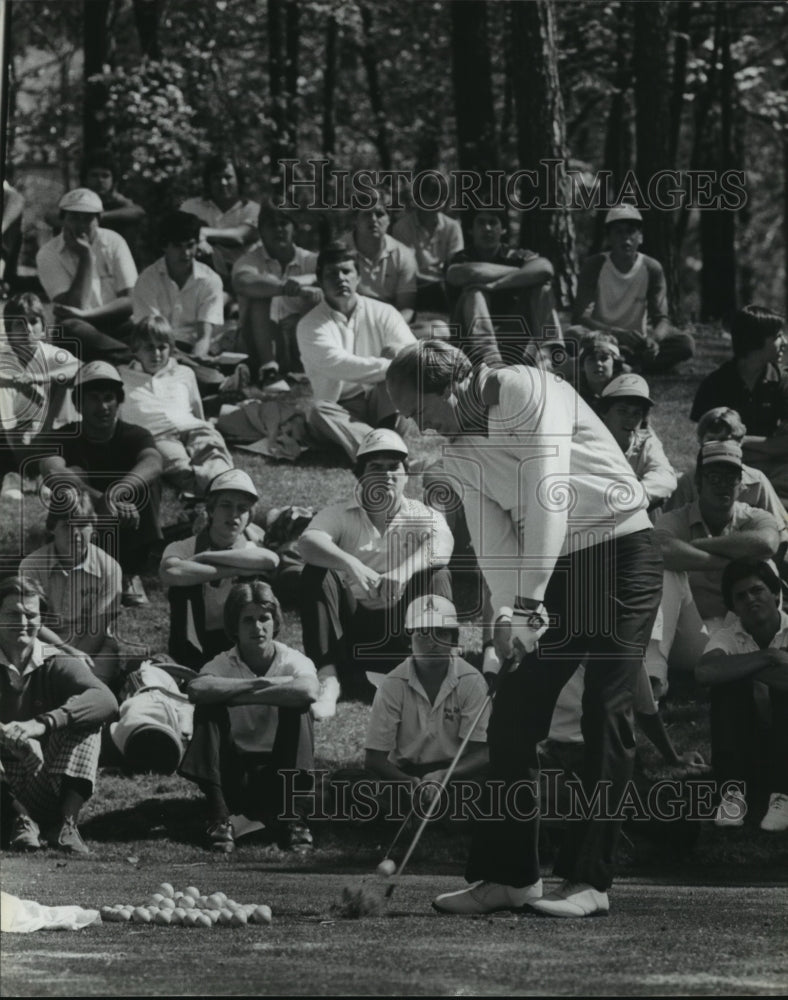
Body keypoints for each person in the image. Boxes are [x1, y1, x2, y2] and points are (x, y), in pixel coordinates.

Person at [386, 340, 663, 918]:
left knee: (606, 708)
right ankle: (510, 877)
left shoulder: (525, 388)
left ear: (452, 386)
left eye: (417, 408)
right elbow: (494, 543)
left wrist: (530, 602)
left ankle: (589, 882)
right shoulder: (456, 455)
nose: (417, 425)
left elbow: (548, 495)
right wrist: (510, 615)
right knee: (513, 716)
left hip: (621, 552)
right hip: (555, 569)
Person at [298, 428, 454, 715]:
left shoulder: (421, 514)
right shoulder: (340, 514)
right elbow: (307, 543)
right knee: (316, 573)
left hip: (403, 630)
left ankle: (433, 672)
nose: (386, 475)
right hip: (351, 631)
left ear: (406, 474)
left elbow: (443, 544)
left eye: (393, 467)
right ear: (360, 475)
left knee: (437, 573)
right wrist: (351, 564)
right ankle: (328, 680)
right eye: (375, 467)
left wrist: (404, 571)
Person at [179, 580, 319, 854]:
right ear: (234, 625)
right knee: (208, 707)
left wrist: (235, 694)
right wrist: (257, 686)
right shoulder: (223, 662)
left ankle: (294, 820)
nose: (257, 628)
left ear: (274, 621)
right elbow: (196, 688)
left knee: (299, 707)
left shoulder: (292, 659)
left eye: (264, 618)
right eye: (248, 620)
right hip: (235, 772)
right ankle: (219, 819)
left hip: (280, 772)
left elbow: (308, 690)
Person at [0, 576, 118, 854]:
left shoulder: (54, 660)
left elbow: (106, 700)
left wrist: (41, 724)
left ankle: (66, 824)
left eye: (30, 615)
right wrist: (7, 733)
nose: (23, 622)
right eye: (12, 614)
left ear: (41, 620)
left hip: (42, 781)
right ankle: (18, 819)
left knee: (88, 720)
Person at [38, 360, 164, 607]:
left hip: (127, 525)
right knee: (71, 477)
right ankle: (72, 565)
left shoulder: (135, 435)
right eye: (94, 398)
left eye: (109, 398)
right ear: (79, 403)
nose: (103, 406)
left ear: (118, 402)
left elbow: (154, 462)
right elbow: (50, 469)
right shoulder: (64, 435)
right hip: (84, 530)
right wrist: (98, 498)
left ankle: (129, 573)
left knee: (147, 483)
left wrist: (116, 495)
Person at [295, 243, 416, 462]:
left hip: (381, 403)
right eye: (332, 274)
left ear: (358, 277)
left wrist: (396, 360)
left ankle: (372, 446)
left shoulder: (383, 312)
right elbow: (341, 365)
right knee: (319, 411)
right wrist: (392, 366)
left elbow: (412, 354)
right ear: (320, 281)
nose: (340, 278)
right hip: (341, 408)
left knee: (396, 366)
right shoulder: (309, 325)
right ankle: (386, 451)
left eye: (346, 271)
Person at [364, 595, 489, 799]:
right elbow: (374, 759)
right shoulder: (392, 684)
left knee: (487, 792)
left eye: (441, 633)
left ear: (454, 639)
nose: (432, 642)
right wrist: (409, 782)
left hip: (456, 772)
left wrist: (444, 776)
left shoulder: (472, 681)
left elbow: (482, 753)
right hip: (405, 773)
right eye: (423, 633)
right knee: (358, 788)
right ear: (409, 639)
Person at [696, 559, 788, 833]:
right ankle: (732, 792)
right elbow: (704, 672)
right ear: (733, 607)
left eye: (757, 590)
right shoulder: (728, 636)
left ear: (774, 593)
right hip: (747, 743)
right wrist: (769, 657)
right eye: (741, 596)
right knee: (728, 687)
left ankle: (783, 794)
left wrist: (740, 669)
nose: (750, 599)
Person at [653, 440, 782, 632]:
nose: (723, 485)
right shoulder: (678, 518)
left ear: (741, 484)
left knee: (767, 564)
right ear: (698, 481)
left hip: (746, 630)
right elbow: (658, 549)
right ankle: (657, 662)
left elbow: (768, 544)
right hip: (694, 632)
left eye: (731, 477)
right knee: (666, 574)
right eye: (714, 477)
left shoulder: (754, 517)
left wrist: (696, 546)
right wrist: (730, 563)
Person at [159, 469, 279, 670]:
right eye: (225, 506)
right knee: (183, 587)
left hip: (237, 637)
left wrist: (206, 557)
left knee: (256, 584)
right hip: (196, 636)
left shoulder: (251, 549)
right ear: (211, 510)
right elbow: (169, 572)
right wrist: (231, 570)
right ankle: (188, 665)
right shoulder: (185, 546)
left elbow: (271, 560)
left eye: (242, 508)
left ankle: (252, 658)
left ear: (249, 517)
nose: (233, 514)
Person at [118, 316, 233, 497]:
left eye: (162, 347)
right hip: (158, 435)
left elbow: (197, 411)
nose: (156, 354)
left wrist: (205, 428)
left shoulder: (184, 373)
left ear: (171, 349)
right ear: (135, 349)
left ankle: (222, 486)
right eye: (149, 347)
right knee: (179, 466)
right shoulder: (122, 377)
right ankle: (218, 493)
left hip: (192, 427)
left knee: (212, 451)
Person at [573, 204, 694, 374]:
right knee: (573, 335)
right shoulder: (595, 265)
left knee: (684, 343)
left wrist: (654, 339)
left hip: (637, 343)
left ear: (640, 237)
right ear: (609, 238)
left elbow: (662, 319)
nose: (626, 238)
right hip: (600, 336)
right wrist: (615, 333)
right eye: (619, 232)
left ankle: (624, 365)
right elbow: (580, 317)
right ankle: (630, 365)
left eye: (631, 231)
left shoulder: (652, 268)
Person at [19, 491, 122, 689]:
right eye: (67, 525)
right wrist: (66, 653)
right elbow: (33, 622)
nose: (76, 533)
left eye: (83, 524)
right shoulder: (31, 566)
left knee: (93, 681)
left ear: (93, 527)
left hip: (94, 646)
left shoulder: (110, 568)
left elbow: (98, 628)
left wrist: (75, 663)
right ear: (52, 529)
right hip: (46, 643)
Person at [690, 305, 788, 502]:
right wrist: (767, 447)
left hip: (775, 468)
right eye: (778, 336)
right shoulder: (716, 384)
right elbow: (709, 445)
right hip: (729, 468)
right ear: (756, 341)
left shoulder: (782, 382)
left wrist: (740, 440)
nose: (785, 342)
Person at [445, 207, 560, 367]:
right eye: (481, 223)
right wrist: (522, 273)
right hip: (468, 338)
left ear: (504, 229)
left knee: (542, 288)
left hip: (510, 334)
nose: (487, 228)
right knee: (475, 291)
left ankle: (548, 355)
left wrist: (496, 284)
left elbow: (546, 269)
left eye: (493, 223)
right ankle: (490, 358)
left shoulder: (516, 255)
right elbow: (469, 273)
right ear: (471, 229)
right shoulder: (461, 257)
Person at [35, 187, 138, 365]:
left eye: (88, 218)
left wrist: (88, 315)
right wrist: (86, 257)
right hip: (80, 330)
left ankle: (126, 357)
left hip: (114, 322)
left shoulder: (114, 241)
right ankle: (132, 358)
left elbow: (131, 301)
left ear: (98, 220)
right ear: (62, 219)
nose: (81, 225)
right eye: (74, 217)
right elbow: (73, 307)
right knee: (70, 328)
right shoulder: (47, 253)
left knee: (145, 327)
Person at [665, 406, 788, 545]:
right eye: (711, 440)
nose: (718, 446)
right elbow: (668, 533)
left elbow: (781, 532)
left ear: (740, 442)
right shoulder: (689, 481)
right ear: (700, 441)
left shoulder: (756, 480)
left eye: (724, 440)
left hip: (749, 556)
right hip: (698, 557)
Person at [0, 293, 80, 492]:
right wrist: (12, 381)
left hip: (49, 431)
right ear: (9, 332)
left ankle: (41, 473)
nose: (28, 329)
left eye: (34, 322)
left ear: (43, 327)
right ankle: (15, 472)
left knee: (64, 383)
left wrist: (38, 378)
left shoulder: (51, 354)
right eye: (19, 324)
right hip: (12, 435)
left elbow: (80, 369)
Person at [232, 201, 320, 380]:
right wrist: (286, 288)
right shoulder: (249, 260)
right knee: (260, 293)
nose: (278, 229)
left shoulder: (310, 260)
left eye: (283, 223)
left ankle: (305, 368)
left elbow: (330, 276)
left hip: (298, 337)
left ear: (294, 228)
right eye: (271, 224)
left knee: (316, 295)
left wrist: (308, 280)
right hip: (256, 342)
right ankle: (268, 368)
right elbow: (242, 281)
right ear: (261, 230)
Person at [131, 210, 226, 368]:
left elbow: (204, 336)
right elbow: (152, 337)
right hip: (158, 352)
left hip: (195, 351)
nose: (186, 253)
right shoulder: (147, 280)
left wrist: (195, 360)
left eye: (190, 245)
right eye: (178, 247)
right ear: (164, 246)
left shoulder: (210, 280)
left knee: (208, 376)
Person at [597, 373, 677, 511]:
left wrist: (633, 495)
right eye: (622, 411)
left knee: (655, 505)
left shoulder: (646, 440)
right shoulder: (590, 439)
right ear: (605, 412)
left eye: (636, 413)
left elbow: (667, 477)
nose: (630, 419)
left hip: (627, 509)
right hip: (595, 512)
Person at [180, 153, 259, 287]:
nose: (223, 183)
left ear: (239, 180)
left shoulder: (252, 209)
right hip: (200, 278)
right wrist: (200, 242)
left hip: (243, 279)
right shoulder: (191, 207)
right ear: (208, 181)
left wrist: (202, 232)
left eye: (228, 177)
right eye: (216, 178)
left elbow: (241, 236)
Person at [392, 173, 464, 313]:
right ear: (418, 198)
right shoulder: (402, 227)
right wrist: (437, 281)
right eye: (432, 195)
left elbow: (455, 266)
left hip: (446, 286)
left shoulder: (452, 227)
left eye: (442, 197)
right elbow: (407, 270)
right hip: (413, 287)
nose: (438, 201)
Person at [352, 193, 418, 323]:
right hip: (352, 323)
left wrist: (390, 330)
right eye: (366, 214)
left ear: (389, 220)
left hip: (391, 323)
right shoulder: (341, 251)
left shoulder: (403, 254)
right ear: (356, 220)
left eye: (380, 214)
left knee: (438, 329)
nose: (373, 219)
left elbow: (406, 307)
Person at [80, 148, 146, 261]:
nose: (100, 180)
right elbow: (51, 216)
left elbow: (138, 212)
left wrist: (103, 216)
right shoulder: (79, 200)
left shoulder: (118, 201)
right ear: (85, 179)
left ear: (113, 180)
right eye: (94, 175)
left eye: (105, 176)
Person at [573, 330, 625, 411]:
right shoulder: (571, 394)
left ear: (615, 364)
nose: (598, 363)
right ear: (582, 365)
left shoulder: (626, 395)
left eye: (604, 358)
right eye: (591, 359)